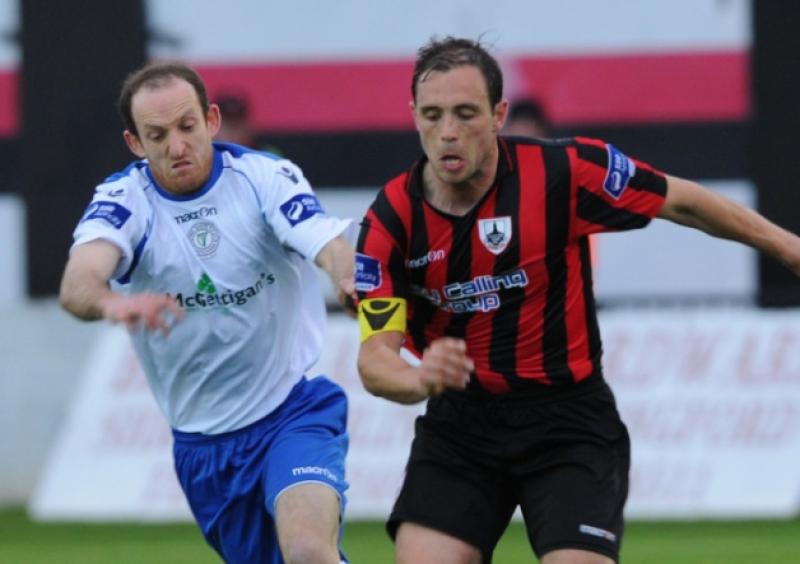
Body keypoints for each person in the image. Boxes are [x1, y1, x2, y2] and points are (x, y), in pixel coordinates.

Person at [354, 36, 800, 564]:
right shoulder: (389, 221)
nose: (448, 132)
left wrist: (788, 248)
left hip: (568, 422)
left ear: (499, 114)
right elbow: (374, 358)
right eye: (432, 115)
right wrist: (418, 379)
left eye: (465, 113)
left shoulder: (565, 171)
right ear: (413, 115)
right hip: (461, 428)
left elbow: (682, 202)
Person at [59, 61, 355, 564]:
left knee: (307, 551)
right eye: (157, 135)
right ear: (135, 143)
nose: (176, 146)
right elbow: (78, 281)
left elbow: (326, 241)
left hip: (293, 413)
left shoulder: (264, 176)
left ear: (211, 120)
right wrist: (112, 301)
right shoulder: (124, 201)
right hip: (206, 451)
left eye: (187, 127)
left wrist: (345, 277)